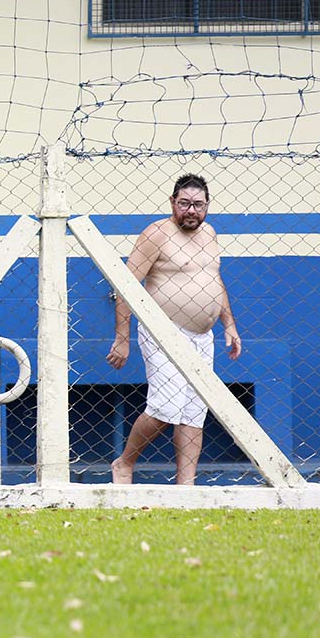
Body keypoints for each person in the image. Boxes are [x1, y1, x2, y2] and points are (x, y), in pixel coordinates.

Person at [106, 174, 242, 485]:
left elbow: (214, 280)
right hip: (163, 332)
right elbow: (126, 285)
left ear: (207, 205)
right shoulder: (156, 234)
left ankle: (186, 484)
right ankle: (124, 463)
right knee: (165, 407)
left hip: (203, 336)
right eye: (184, 204)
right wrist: (122, 338)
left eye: (198, 204)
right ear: (172, 202)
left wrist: (229, 324)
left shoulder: (209, 233)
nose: (191, 210)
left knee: (194, 411)